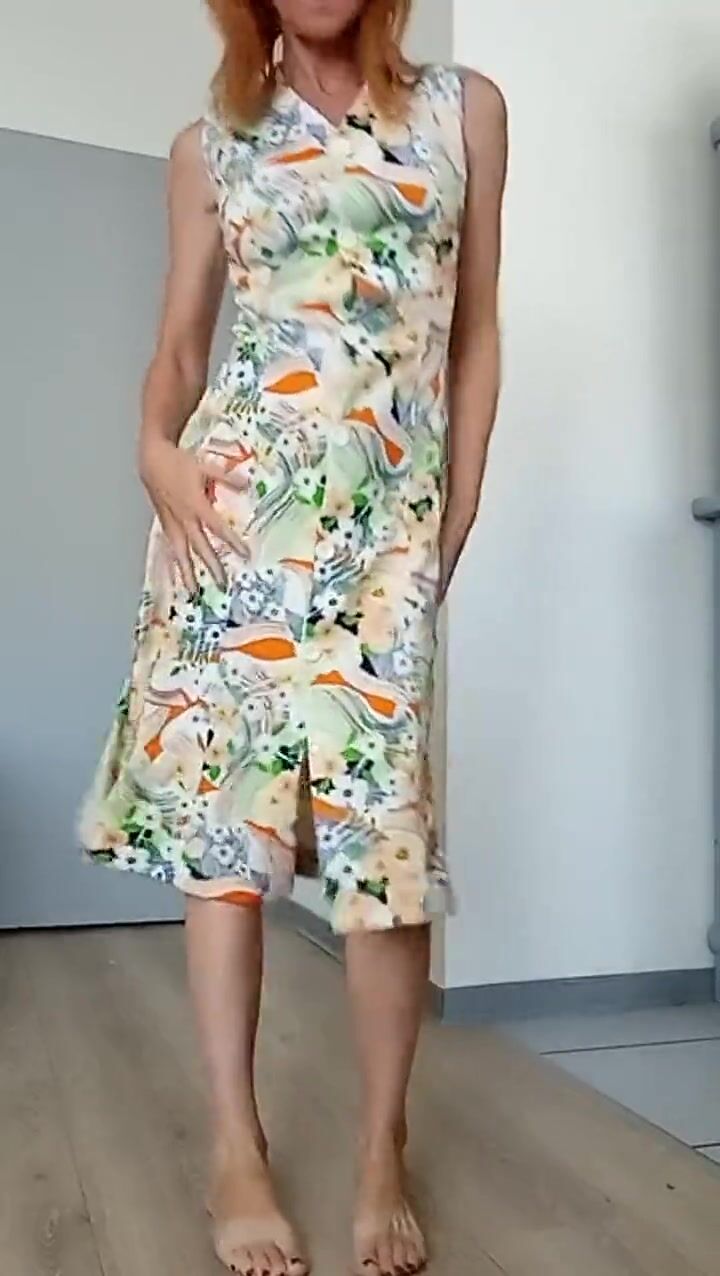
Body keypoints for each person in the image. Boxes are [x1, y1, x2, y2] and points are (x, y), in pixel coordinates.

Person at [79, 0, 507, 1271]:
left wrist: (454, 514)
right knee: (228, 840)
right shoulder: (211, 141)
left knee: (385, 850)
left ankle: (381, 1149)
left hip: (385, 537)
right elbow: (178, 351)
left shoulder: (464, 113)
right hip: (231, 525)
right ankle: (236, 1145)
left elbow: (477, 330)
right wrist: (153, 452)